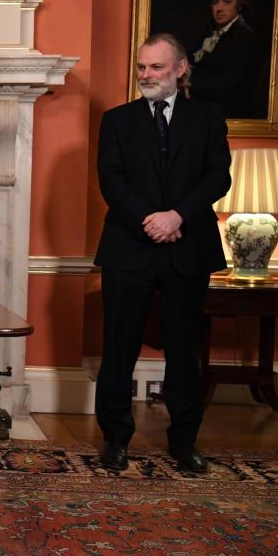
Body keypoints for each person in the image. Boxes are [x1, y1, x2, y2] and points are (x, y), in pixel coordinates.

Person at [94, 33, 231, 473]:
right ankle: (115, 439)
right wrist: (149, 220)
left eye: (155, 67)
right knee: (118, 348)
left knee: (184, 350)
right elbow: (111, 181)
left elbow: (217, 178)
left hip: (187, 247)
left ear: (180, 68)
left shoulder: (208, 118)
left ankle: (184, 441)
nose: (145, 75)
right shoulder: (116, 120)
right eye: (141, 67)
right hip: (128, 247)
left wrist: (177, 217)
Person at [188, 0, 264, 119]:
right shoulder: (209, 33)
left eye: (227, 2)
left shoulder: (246, 38)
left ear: (239, 6)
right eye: (215, 2)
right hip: (202, 105)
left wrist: (189, 81)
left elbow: (225, 86)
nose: (219, 8)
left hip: (227, 112)